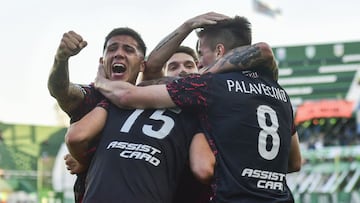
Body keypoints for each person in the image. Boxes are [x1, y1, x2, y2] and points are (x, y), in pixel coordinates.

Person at [94, 15, 301, 203]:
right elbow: (295, 162)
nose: (199, 63)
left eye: (200, 54)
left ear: (219, 51)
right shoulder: (280, 93)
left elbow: (127, 95)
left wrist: (100, 81)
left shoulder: (208, 87)